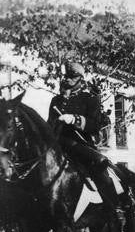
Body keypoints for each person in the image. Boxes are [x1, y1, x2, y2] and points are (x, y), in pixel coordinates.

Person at [47, 61, 117, 209]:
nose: (67, 79)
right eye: (66, 76)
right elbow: (49, 124)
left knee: (100, 165)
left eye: (72, 77)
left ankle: (113, 205)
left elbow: (94, 125)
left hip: (78, 144)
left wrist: (74, 119)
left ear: (80, 79)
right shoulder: (56, 100)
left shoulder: (90, 99)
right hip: (57, 144)